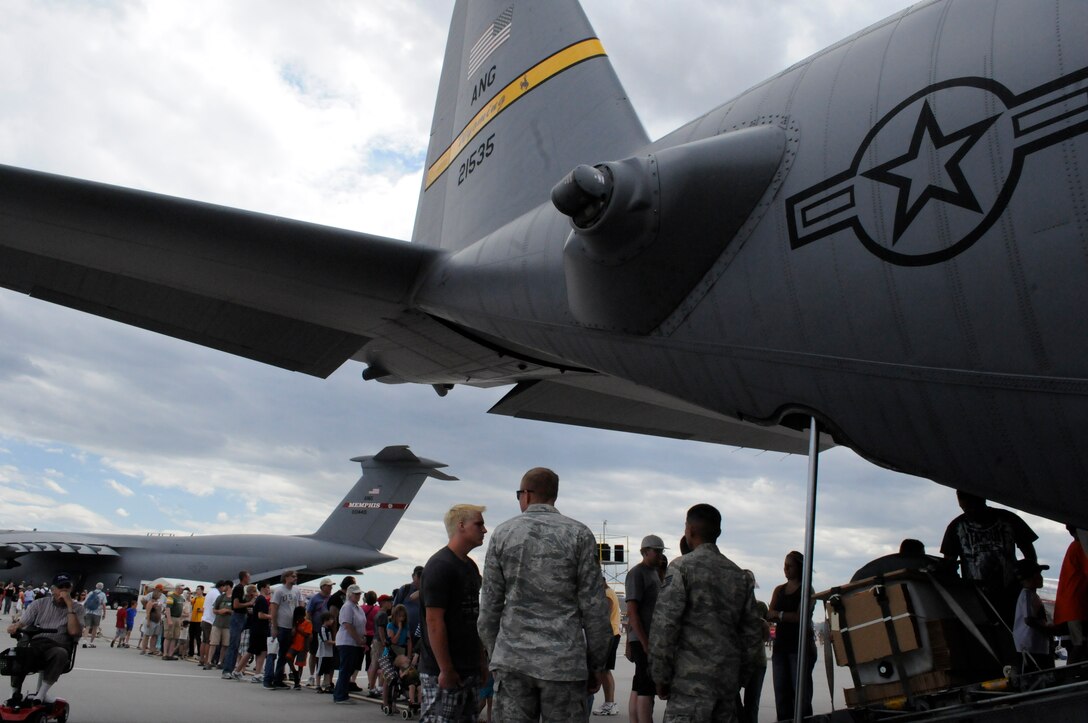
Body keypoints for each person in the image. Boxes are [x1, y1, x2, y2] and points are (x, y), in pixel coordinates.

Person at [478, 467, 612, 722]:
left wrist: (497, 654)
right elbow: (595, 610)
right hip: (564, 665)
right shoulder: (579, 534)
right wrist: (596, 664)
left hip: (512, 661)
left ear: (526, 495)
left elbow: (489, 608)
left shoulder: (503, 534)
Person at [647, 504, 762, 722]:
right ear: (718, 532)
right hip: (725, 692)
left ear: (689, 530)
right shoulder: (740, 576)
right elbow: (752, 636)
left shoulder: (682, 568)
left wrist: (660, 676)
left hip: (688, 691)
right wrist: (737, 679)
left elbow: (665, 625)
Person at [418, 503, 487, 723]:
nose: (484, 529)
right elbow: (434, 621)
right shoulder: (440, 566)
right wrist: (446, 669)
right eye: (479, 524)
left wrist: (481, 663)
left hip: (469, 670)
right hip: (444, 672)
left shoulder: (470, 567)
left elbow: (473, 620)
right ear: (461, 526)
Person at [941, 491, 1038, 628]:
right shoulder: (956, 526)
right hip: (978, 596)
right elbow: (949, 563)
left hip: (1011, 592)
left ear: (983, 501)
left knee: (1015, 631)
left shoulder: (1008, 519)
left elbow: (1029, 552)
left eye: (972, 507)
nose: (969, 512)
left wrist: (1028, 581)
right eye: (964, 508)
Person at [5, 573, 84, 704]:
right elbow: (23, 622)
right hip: (36, 643)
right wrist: (15, 626)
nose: (63, 590)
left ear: (71, 589)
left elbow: (74, 631)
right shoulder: (39, 604)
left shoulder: (78, 608)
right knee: (18, 653)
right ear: (53, 590)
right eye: (60, 587)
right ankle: (14, 693)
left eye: (67, 587)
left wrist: (70, 606)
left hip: (57, 645)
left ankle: (40, 695)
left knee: (60, 654)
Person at [768, 550, 816, 720]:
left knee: (801, 696)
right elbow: (769, 613)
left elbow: (800, 617)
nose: (785, 569)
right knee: (781, 694)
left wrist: (779, 615)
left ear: (799, 568)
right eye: (784, 566)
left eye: (789, 566)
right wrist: (782, 615)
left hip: (800, 648)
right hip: (780, 648)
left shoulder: (807, 590)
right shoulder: (779, 590)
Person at [626, 534, 665, 723]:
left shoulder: (653, 573)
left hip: (645, 638)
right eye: (657, 552)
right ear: (644, 552)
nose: (660, 556)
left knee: (638, 683)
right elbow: (632, 612)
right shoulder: (637, 573)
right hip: (643, 639)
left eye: (661, 552)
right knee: (646, 686)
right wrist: (644, 642)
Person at [738, 571, 769, 723]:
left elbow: (766, 635)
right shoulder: (734, 608)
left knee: (751, 704)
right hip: (739, 661)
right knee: (735, 704)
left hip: (756, 661)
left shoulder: (761, 607)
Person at [1012, 559, 1054, 671]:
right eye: (1037, 574)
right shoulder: (1026, 595)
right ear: (1027, 578)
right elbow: (1029, 620)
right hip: (1029, 647)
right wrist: (1048, 631)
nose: (1041, 578)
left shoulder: (1032, 595)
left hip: (1036, 646)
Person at [1054, 525, 1088, 664]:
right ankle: (1070, 678)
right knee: (1080, 645)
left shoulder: (1075, 546)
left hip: (1069, 608)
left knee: (1078, 645)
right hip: (1076, 607)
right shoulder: (1081, 547)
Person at [332, 584, 367, 705]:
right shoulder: (347, 607)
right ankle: (341, 695)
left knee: (349, 668)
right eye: (356, 594)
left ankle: (340, 692)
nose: (358, 596)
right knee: (346, 668)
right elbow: (347, 625)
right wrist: (358, 639)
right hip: (347, 642)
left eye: (359, 594)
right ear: (350, 594)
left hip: (354, 643)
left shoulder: (357, 607)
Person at [268, 570, 302, 690]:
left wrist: (296, 625)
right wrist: (274, 626)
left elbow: (299, 607)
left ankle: (279, 678)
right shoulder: (279, 590)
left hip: (291, 625)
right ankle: (275, 678)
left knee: (286, 653)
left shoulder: (296, 590)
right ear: (286, 577)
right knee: (280, 653)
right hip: (281, 625)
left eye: (295, 576)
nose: (295, 578)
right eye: (293, 576)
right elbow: (274, 609)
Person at [592, 585, 622, 716]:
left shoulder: (607, 594)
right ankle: (609, 703)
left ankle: (610, 704)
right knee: (605, 670)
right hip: (610, 634)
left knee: (605, 670)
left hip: (609, 635)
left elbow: (604, 617)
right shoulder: (608, 592)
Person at [223, 570, 253, 677]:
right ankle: (227, 670)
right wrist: (249, 603)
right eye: (248, 576)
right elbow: (235, 605)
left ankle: (233, 670)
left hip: (241, 616)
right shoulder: (239, 588)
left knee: (238, 645)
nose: (250, 578)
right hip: (237, 617)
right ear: (244, 577)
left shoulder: (243, 589)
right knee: (233, 644)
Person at [305, 578, 334, 687]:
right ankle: (312, 676)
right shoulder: (315, 598)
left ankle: (324, 678)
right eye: (329, 586)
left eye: (331, 586)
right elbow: (308, 614)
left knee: (324, 655)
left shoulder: (331, 599)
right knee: (313, 653)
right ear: (323, 587)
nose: (331, 588)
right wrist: (310, 630)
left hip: (326, 631)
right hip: (316, 630)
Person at [162, 583, 185, 660]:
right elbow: (167, 608)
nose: (182, 590)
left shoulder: (181, 598)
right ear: (177, 588)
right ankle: (165, 654)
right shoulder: (171, 596)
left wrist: (181, 619)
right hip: (171, 617)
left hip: (178, 618)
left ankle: (170, 654)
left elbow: (181, 609)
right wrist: (169, 620)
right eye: (181, 589)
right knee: (168, 636)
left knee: (175, 637)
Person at [315, 611, 336, 693]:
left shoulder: (328, 629)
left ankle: (327, 685)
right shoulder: (322, 629)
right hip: (322, 653)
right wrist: (335, 642)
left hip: (328, 653)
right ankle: (317, 685)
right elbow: (326, 641)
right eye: (331, 619)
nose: (332, 621)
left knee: (327, 670)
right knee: (320, 670)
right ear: (326, 620)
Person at [80, 581, 107, 648]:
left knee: (87, 627)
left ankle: (85, 641)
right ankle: (91, 642)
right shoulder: (103, 594)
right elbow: (104, 604)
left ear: (96, 586)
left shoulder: (90, 593)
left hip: (88, 612)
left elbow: (85, 602)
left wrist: (83, 611)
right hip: (97, 613)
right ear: (102, 587)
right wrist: (104, 614)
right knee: (95, 628)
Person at [188, 585, 205, 659]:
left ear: (202, 591)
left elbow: (207, 608)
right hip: (193, 619)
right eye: (196, 589)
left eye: (198, 589)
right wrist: (189, 595)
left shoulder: (204, 599)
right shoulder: (194, 599)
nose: (197, 591)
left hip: (199, 620)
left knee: (198, 637)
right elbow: (189, 602)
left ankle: (199, 653)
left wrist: (201, 610)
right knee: (191, 636)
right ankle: (190, 652)